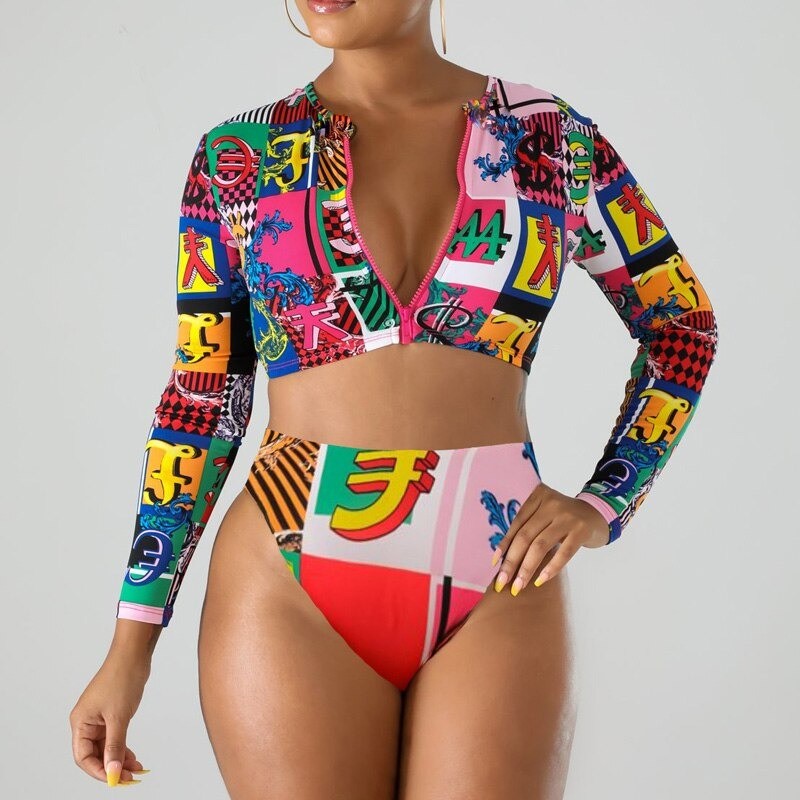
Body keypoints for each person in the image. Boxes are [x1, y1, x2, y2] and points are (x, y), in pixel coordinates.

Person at [70, 0, 719, 796]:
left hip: (501, 568)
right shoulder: (241, 155)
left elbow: (682, 325)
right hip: (287, 572)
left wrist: (605, 500)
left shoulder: (551, 140)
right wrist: (131, 644)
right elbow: (204, 399)